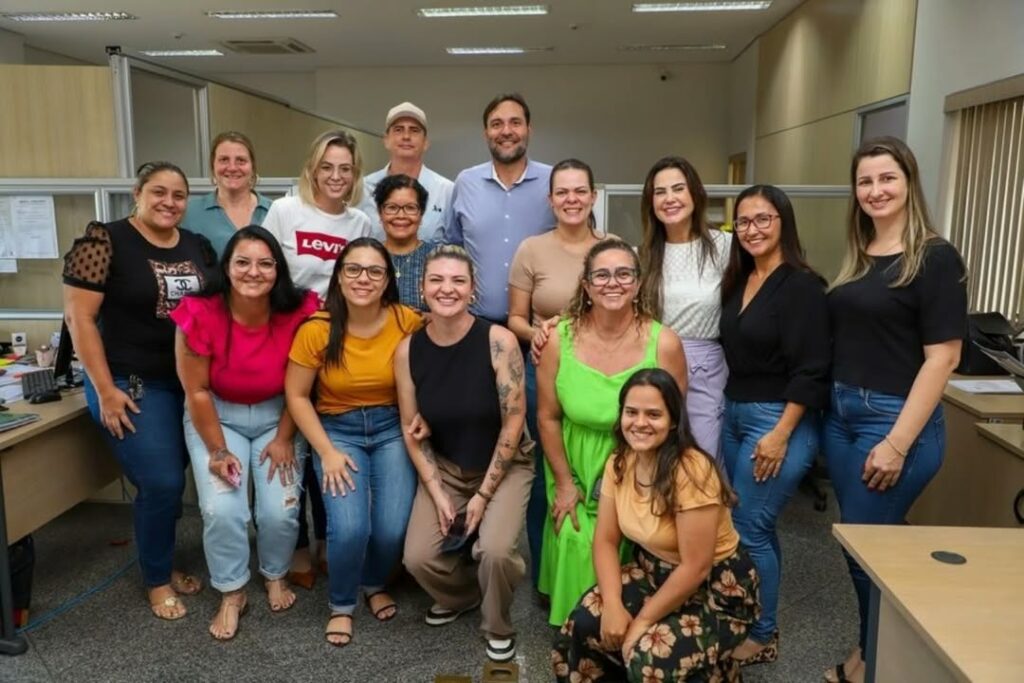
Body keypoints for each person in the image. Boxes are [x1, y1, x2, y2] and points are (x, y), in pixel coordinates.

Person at [823, 137, 966, 683]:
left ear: (909, 183)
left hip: (892, 422)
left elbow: (943, 358)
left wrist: (897, 443)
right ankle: (877, 648)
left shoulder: (934, 257)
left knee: (866, 550)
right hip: (842, 417)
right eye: (865, 181)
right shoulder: (862, 253)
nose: (875, 190)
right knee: (862, 544)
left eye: (887, 178)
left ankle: (876, 661)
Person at [62, 161, 217, 620]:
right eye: (158, 192)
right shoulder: (104, 240)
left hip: (186, 383)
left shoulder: (196, 245)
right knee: (161, 480)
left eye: (178, 195)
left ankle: (164, 560)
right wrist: (104, 389)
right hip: (129, 381)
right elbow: (79, 317)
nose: (169, 202)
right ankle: (156, 579)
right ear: (137, 193)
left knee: (173, 479)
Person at [553, 368, 759, 682]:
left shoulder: (692, 471)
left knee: (648, 657)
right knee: (586, 620)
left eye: (653, 414)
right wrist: (612, 604)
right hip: (652, 573)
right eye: (631, 412)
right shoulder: (620, 461)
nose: (640, 423)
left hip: (714, 590)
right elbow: (606, 540)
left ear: (673, 420)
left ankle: (716, 673)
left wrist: (641, 622)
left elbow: (696, 567)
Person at [172, 226, 320, 640]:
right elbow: (196, 391)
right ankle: (232, 590)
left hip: (280, 415)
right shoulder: (199, 312)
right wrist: (218, 452)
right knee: (223, 509)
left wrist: (285, 437)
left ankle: (275, 573)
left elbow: (302, 389)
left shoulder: (301, 310)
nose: (253, 272)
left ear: (278, 269)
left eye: (265, 263)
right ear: (226, 267)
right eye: (242, 262)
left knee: (280, 511)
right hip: (217, 417)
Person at [537, 239, 688, 626]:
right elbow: (548, 417)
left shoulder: (664, 343)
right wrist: (565, 482)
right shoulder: (558, 339)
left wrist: (648, 480)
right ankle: (576, 629)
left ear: (638, 284)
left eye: (624, 274)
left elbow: (673, 422)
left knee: (626, 542)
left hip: (639, 462)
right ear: (586, 286)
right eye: (601, 275)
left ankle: (623, 620)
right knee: (576, 536)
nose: (613, 282)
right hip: (574, 463)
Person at [397, 245, 533, 663]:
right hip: (448, 466)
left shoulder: (499, 341)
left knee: (494, 551)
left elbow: (513, 423)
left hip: (505, 464)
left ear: (472, 289)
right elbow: (412, 429)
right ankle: (467, 595)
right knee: (418, 558)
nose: (447, 289)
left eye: (458, 280)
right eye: (436, 279)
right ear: (422, 288)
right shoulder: (407, 350)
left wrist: (482, 497)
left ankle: (498, 623)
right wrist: (440, 494)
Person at [285, 237, 421, 647]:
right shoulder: (317, 329)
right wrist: (326, 452)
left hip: (391, 427)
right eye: (354, 270)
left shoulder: (406, 320)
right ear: (339, 277)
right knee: (349, 529)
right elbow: (296, 396)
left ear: (388, 280)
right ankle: (342, 604)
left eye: (375, 271)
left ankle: (374, 581)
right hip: (337, 431)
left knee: (392, 528)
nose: (364, 278)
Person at [718, 185, 830, 665]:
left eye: (763, 219)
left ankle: (762, 633)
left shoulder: (802, 286)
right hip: (735, 413)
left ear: (784, 221)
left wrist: (781, 434)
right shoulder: (741, 278)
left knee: (749, 527)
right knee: (757, 526)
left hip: (777, 418)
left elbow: (813, 368)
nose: (752, 230)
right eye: (743, 221)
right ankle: (756, 618)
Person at [264, 129, 372, 586]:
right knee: (291, 443)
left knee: (323, 440)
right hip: (286, 341)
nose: (335, 176)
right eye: (327, 166)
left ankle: (327, 538)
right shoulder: (284, 211)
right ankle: (298, 543)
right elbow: (265, 273)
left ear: (356, 174)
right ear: (312, 169)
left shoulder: (359, 223)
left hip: (335, 345)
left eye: (345, 168)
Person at [508, 158, 609, 587]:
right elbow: (514, 318)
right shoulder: (531, 249)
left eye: (579, 191)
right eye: (562, 192)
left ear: (593, 196)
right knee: (547, 470)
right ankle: (548, 575)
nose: (572, 199)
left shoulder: (612, 248)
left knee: (600, 468)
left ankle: (601, 571)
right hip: (544, 372)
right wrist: (540, 335)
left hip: (601, 372)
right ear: (551, 200)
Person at [638, 156, 731, 461]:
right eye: (660, 192)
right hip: (654, 363)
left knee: (700, 459)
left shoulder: (725, 246)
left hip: (704, 368)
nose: (669, 198)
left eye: (678, 188)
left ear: (695, 193)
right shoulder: (643, 254)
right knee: (657, 457)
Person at [444, 92, 555, 325]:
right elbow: (453, 249)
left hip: (542, 329)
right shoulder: (466, 182)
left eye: (515, 122)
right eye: (496, 124)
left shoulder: (554, 182)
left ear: (529, 129)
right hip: (476, 325)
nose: (506, 131)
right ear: (486, 133)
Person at [356, 102, 453, 242]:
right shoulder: (363, 188)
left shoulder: (447, 191)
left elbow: (454, 245)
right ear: (386, 140)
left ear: (426, 143)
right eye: (398, 130)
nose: (406, 136)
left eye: (414, 130)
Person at [181, 131, 272, 258]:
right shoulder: (189, 213)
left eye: (241, 160)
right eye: (224, 160)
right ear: (212, 166)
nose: (232, 168)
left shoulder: (274, 211)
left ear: (252, 167)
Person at [374, 174, 433, 310]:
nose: (401, 215)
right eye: (392, 207)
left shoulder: (438, 258)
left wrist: (422, 318)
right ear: (380, 213)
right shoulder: (368, 257)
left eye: (410, 208)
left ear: (421, 214)